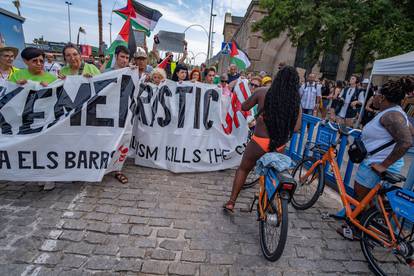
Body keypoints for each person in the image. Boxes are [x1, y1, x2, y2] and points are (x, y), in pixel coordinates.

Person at [223, 66, 302, 212]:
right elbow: (296, 128)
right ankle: (269, 203)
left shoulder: (262, 92)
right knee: (272, 173)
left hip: (259, 141)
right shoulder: (295, 102)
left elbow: (245, 106)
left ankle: (231, 202)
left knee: (243, 169)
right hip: (279, 144)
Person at [353, 80, 413, 202]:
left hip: (376, 165)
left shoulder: (392, 115)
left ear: (382, 97)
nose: (373, 97)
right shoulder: (395, 112)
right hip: (376, 164)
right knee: (372, 204)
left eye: (375, 94)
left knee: (362, 203)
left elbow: (406, 141)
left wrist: (383, 165)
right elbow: (411, 132)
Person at [9, 47, 58, 191]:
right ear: (25, 61)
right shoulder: (18, 76)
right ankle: (38, 174)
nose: (39, 64)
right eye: (34, 61)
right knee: (32, 148)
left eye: (41, 61)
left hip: (45, 120)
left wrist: (49, 88)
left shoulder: (51, 78)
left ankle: (49, 176)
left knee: (47, 147)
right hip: (25, 120)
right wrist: (17, 86)